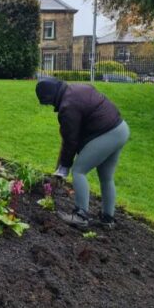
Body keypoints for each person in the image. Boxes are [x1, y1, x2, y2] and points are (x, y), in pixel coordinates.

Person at [35, 77, 130, 229]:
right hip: (121, 129)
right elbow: (72, 137)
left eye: (48, 103)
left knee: (79, 170)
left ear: (50, 98)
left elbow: (71, 142)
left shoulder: (67, 107)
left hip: (107, 133)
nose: (50, 106)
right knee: (106, 177)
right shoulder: (78, 88)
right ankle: (108, 219)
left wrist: (64, 168)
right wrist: (60, 169)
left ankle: (81, 216)